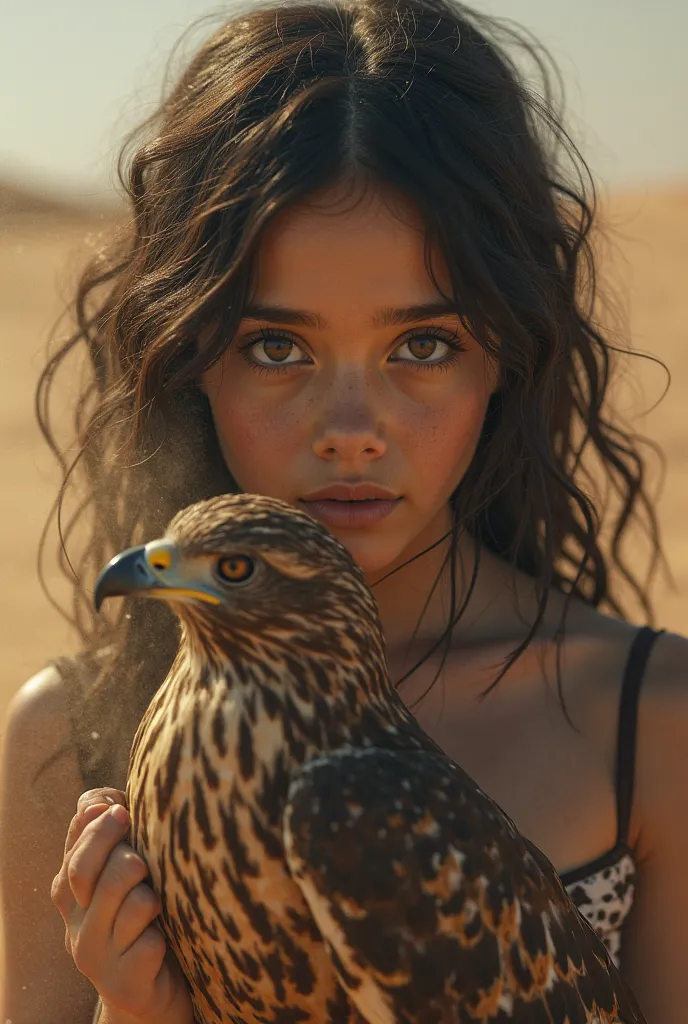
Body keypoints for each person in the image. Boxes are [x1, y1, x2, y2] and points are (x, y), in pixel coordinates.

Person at [1, 0, 685, 1020]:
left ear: (502, 353)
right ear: (195, 363)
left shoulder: (654, 717)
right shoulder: (69, 736)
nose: (351, 429)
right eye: (277, 347)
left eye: (423, 344)